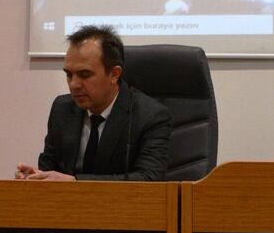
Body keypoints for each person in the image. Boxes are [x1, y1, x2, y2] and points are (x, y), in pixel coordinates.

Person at [16, 24, 171, 181]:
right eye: (69, 75)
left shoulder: (150, 116)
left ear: (114, 74)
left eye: (84, 74)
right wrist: (35, 178)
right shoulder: (62, 109)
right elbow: (49, 169)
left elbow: (149, 179)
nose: (74, 84)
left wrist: (75, 183)